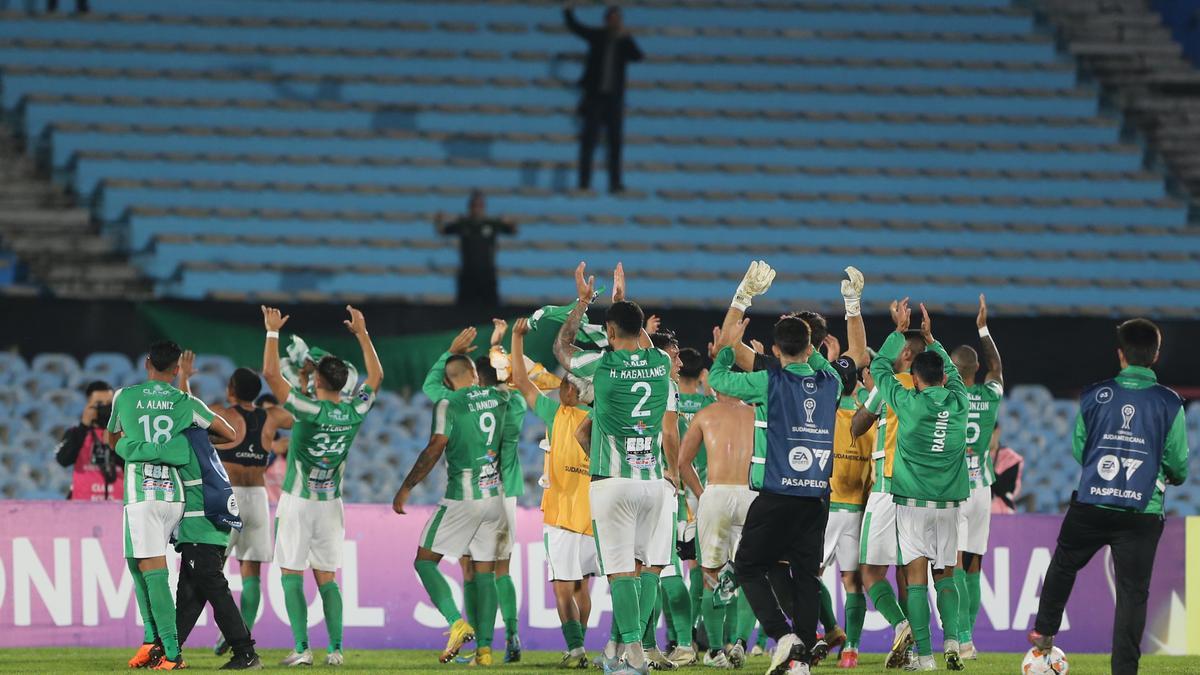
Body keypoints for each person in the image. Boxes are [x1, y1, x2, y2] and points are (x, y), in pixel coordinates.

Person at [707, 261, 852, 675]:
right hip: (816, 500)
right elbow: (825, 364)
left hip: (776, 496)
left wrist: (738, 309)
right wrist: (817, 344)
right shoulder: (832, 384)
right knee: (806, 577)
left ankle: (783, 637)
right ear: (812, 349)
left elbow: (720, 378)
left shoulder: (768, 382)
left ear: (774, 351)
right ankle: (801, 659)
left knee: (750, 565)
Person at [1030, 318, 1189, 675]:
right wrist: (1166, 475)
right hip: (1141, 512)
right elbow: (1178, 463)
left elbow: (1080, 450)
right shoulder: (1169, 403)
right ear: (1156, 355)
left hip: (1093, 503)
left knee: (1064, 562)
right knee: (1133, 593)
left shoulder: (1093, 395)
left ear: (1120, 355)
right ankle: (1124, 671)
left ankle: (1044, 629)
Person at [554, 262, 679, 675]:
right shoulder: (661, 361)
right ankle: (625, 648)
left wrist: (583, 302)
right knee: (645, 569)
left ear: (608, 332)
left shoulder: (602, 367)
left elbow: (563, 348)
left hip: (613, 483)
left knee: (622, 573)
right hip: (653, 482)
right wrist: (622, 303)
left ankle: (634, 657)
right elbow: (637, 336)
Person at [261, 305, 383, 667]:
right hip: (332, 504)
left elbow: (269, 372)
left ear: (317, 381)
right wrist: (362, 333)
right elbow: (375, 376)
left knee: (291, 572)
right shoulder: (354, 411)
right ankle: (336, 650)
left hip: (298, 501)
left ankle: (301, 648)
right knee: (327, 577)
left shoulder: (306, 408)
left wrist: (271, 332)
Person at [108, 341, 237, 670]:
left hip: (144, 494)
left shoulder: (125, 396)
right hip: (174, 496)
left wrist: (137, 448)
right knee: (137, 565)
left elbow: (115, 441)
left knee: (152, 573)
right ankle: (150, 641)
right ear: (177, 370)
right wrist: (183, 447)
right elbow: (229, 433)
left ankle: (171, 653)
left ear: (147, 362)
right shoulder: (186, 402)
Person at [395, 327, 511, 666]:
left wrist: (406, 487)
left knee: (424, 560)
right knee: (485, 571)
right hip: (495, 495)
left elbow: (435, 448)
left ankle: (456, 622)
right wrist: (496, 345)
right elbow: (506, 376)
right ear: (475, 374)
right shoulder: (499, 396)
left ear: (448, 381)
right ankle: (486, 652)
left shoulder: (448, 402)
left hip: (463, 496)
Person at [869, 300, 969, 672]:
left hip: (911, 503)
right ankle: (955, 639)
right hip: (949, 505)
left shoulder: (906, 401)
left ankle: (925, 657)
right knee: (946, 574)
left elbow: (878, 366)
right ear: (943, 378)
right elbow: (956, 376)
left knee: (915, 580)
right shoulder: (960, 402)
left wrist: (899, 332)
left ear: (914, 379)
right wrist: (931, 338)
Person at [512, 317, 596, 668]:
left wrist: (517, 340)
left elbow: (521, 381)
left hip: (565, 511)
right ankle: (579, 646)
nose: (561, 388)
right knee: (579, 587)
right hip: (590, 514)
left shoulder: (560, 413)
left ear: (576, 392)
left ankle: (576, 648)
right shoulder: (597, 414)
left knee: (565, 584)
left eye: (567, 385)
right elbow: (523, 382)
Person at [850, 325, 926, 668]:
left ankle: (901, 625)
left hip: (887, 487)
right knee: (911, 574)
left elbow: (857, 425)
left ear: (905, 354)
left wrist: (870, 397)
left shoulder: (890, 385)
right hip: (921, 494)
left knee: (870, 572)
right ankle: (915, 652)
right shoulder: (936, 387)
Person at [211, 367, 294, 657]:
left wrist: (184, 377)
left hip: (230, 495)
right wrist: (302, 381)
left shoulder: (222, 413)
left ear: (230, 390)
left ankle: (231, 630)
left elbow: (189, 416)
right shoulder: (271, 417)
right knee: (252, 573)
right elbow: (300, 414)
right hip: (258, 498)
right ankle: (242, 633)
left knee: (211, 570)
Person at [678, 375, 755, 669]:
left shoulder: (705, 414)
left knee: (710, 577)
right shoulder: (756, 414)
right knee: (751, 576)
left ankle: (714, 651)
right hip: (751, 495)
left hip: (717, 493)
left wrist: (702, 494)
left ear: (716, 387)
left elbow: (683, 462)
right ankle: (741, 643)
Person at [949, 294, 1004, 660]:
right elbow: (996, 366)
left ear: (954, 371)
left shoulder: (945, 398)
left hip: (954, 489)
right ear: (976, 371)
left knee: (952, 563)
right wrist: (983, 327)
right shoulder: (990, 393)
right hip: (982, 488)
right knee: (973, 563)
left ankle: (963, 637)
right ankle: (970, 641)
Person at [816, 348, 875, 670]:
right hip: (858, 508)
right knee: (853, 582)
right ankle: (851, 650)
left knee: (809, 576)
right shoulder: (871, 412)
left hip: (826, 504)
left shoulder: (826, 409)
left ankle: (825, 631)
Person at [563, 3, 644, 193]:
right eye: (612, 18)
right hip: (595, 97)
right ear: (606, 20)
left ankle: (615, 183)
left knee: (615, 142)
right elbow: (577, 28)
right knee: (588, 141)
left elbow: (638, 56)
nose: (615, 22)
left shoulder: (624, 42)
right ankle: (584, 183)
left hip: (614, 100)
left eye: (618, 19)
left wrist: (627, 36)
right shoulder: (597, 36)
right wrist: (568, 11)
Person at [435, 190, 517, 306]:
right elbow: (442, 231)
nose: (477, 209)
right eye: (474, 206)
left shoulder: (491, 223)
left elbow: (512, 231)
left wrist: (511, 221)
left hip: (487, 274)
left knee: (491, 309)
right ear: (470, 207)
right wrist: (438, 220)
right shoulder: (463, 223)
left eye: (480, 206)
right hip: (468, 273)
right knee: (465, 309)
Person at [55, 380, 123, 501]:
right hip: (82, 509)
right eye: (99, 404)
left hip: (117, 509)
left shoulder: (124, 434)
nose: (105, 409)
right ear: (88, 406)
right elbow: (63, 460)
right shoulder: (75, 433)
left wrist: (115, 444)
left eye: (109, 404)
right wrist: (84, 426)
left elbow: (134, 467)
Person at [991, 430, 1023, 514]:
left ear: (997, 431)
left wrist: (984, 467)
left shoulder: (1011, 458)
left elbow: (1006, 488)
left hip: (1003, 513)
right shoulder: (970, 455)